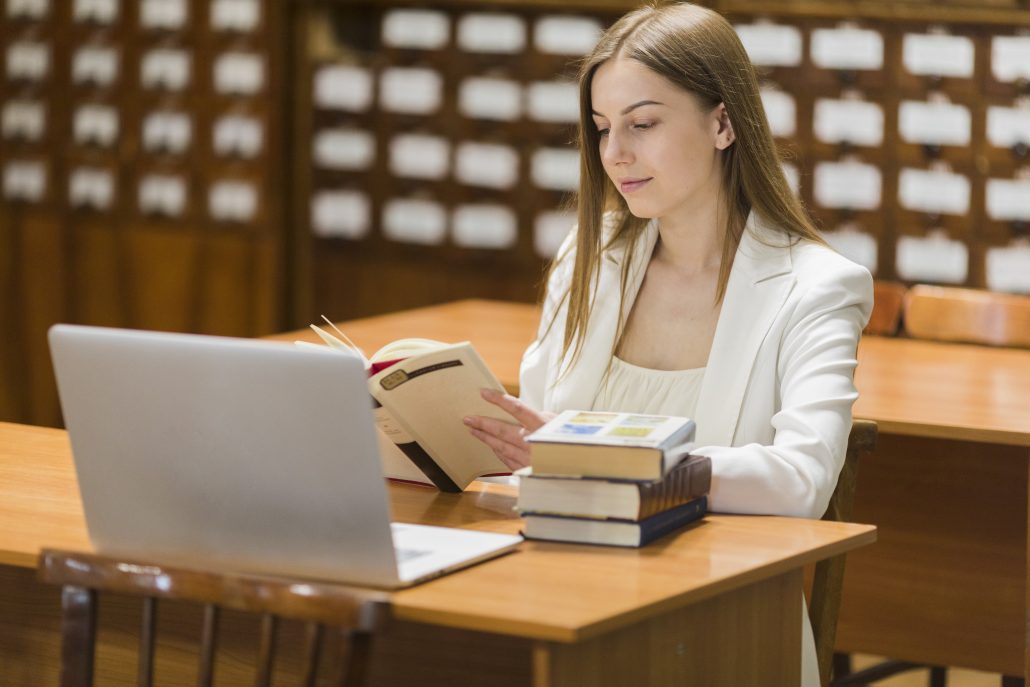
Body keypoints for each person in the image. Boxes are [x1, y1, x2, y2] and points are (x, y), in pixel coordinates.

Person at [463, 4, 872, 685]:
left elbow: (803, 480)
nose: (616, 153)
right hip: (561, 595)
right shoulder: (588, 258)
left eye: (643, 123)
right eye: (602, 128)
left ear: (723, 122)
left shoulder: (818, 286)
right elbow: (535, 451)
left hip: (721, 621)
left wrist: (633, 461)